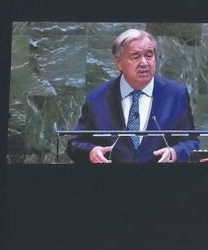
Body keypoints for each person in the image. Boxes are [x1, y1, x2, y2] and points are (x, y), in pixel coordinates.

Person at [66, 28, 199, 164]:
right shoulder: (97, 97)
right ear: (119, 63)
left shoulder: (176, 94)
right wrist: (91, 152)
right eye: (135, 57)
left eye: (149, 55)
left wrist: (175, 152)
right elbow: (75, 143)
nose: (144, 63)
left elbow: (191, 142)